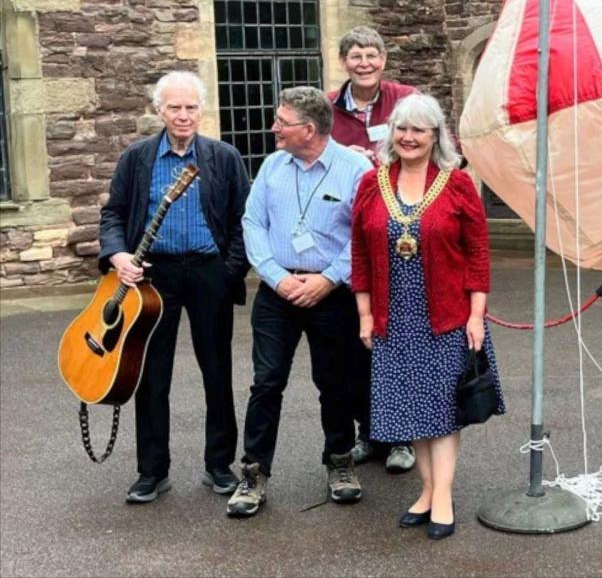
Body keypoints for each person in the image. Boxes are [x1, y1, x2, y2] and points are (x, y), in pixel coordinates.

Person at [351, 93, 504, 540]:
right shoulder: (371, 184)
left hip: (446, 317)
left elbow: (477, 254)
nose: (408, 137)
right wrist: (364, 314)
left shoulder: (456, 185)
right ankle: (427, 489)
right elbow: (359, 253)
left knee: (442, 410)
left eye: (419, 129)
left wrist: (476, 315)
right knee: (411, 410)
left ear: (436, 136)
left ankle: (444, 495)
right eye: (402, 128)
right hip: (392, 319)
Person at [99, 71, 250, 503]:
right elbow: (113, 215)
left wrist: (230, 270)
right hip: (153, 276)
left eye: (191, 107)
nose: (183, 116)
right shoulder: (137, 158)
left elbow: (244, 221)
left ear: (202, 110)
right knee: (150, 374)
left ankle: (220, 465)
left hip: (209, 273)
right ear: (159, 110)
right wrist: (117, 255)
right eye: (174, 107)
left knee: (217, 372)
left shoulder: (223, 157)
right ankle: (152, 471)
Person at [226, 86, 372, 518]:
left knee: (335, 382)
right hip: (278, 293)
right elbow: (252, 222)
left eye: (281, 122)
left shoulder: (355, 168)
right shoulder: (272, 166)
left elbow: (363, 235)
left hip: (332, 295)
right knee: (266, 382)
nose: (273, 128)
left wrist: (328, 279)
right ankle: (253, 474)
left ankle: (340, 462)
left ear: (309, 129)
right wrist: (274, 276)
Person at [327, 25, 417, 473]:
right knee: (357, 343)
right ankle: (370, 432)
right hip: (348, 231)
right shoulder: (327, 108)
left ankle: (401, 437)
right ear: (344, 61)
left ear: (383, 59)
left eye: (372, 55)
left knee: (394, 339)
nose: (364, 63)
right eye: (356, 55)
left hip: (399, 231)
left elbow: (436, 143)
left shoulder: (405, 99)